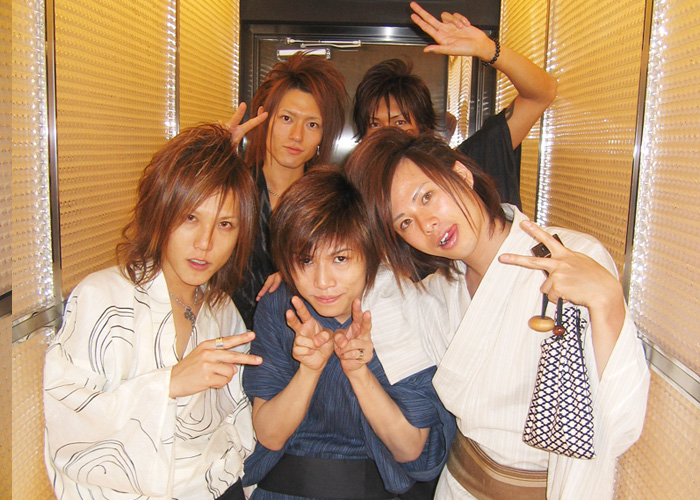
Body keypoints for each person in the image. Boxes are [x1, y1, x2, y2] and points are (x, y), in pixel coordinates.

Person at [344, 128, 650, 500]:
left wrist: (607, 301)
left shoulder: (568, 260)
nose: (426, 224)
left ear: (461, 175)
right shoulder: (438, 294)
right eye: (404, 222)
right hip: (459, 488)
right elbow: (363, 280)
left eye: (427, 196)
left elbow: (619, 422)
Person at [44, 123, 263, 500]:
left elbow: (237, 421)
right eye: (191, 217)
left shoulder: (220, 307)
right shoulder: (102, 299)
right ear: (160, 210)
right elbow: (69, 424)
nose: (205, 242)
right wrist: (169, 384)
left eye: (225, 224)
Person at [241, 166, 456, 499]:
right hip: (284, 487)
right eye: (306, 260)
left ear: (370, 253)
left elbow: (410, 448)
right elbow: (269, 435)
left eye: (340, 258)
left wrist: (358, 373)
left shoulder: (398, 305)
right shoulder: (281, 305)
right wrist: (309, 370)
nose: (323, 281)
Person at [352, 1, 558, 208]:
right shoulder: (357, 196)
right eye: (375, 124)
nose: (387, 134)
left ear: (422, 128)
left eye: (400, 123)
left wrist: (487, 49)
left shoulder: (466, 164)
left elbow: (541, 94)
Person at [230, 52, 347, 329]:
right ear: (264, 119)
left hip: (309, 340)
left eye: (312, 124)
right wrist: (212, 159)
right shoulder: (233, 190)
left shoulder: (332, 201)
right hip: (230, 337)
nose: (297, 135)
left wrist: (298, 272)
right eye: (286, 118)